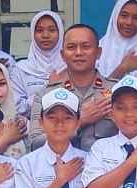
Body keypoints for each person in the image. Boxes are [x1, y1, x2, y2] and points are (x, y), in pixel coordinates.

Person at [27, 23, 119, 152]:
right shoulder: (45, 95)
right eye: (71, 47)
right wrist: (79, 121)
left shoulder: (118, 91)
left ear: (98, 52)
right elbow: (34, 144)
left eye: (85, 47)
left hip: (108, 168)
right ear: (63, 55)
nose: (78, 52)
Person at [10, 10, 65, 118]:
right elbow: (17, 107)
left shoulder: (69, 67)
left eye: (52, 30)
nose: (45, 35)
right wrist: (48, 89)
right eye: (39, 30)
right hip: (31, 131)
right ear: (32, 34)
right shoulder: (21, 69)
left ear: (61, 32)